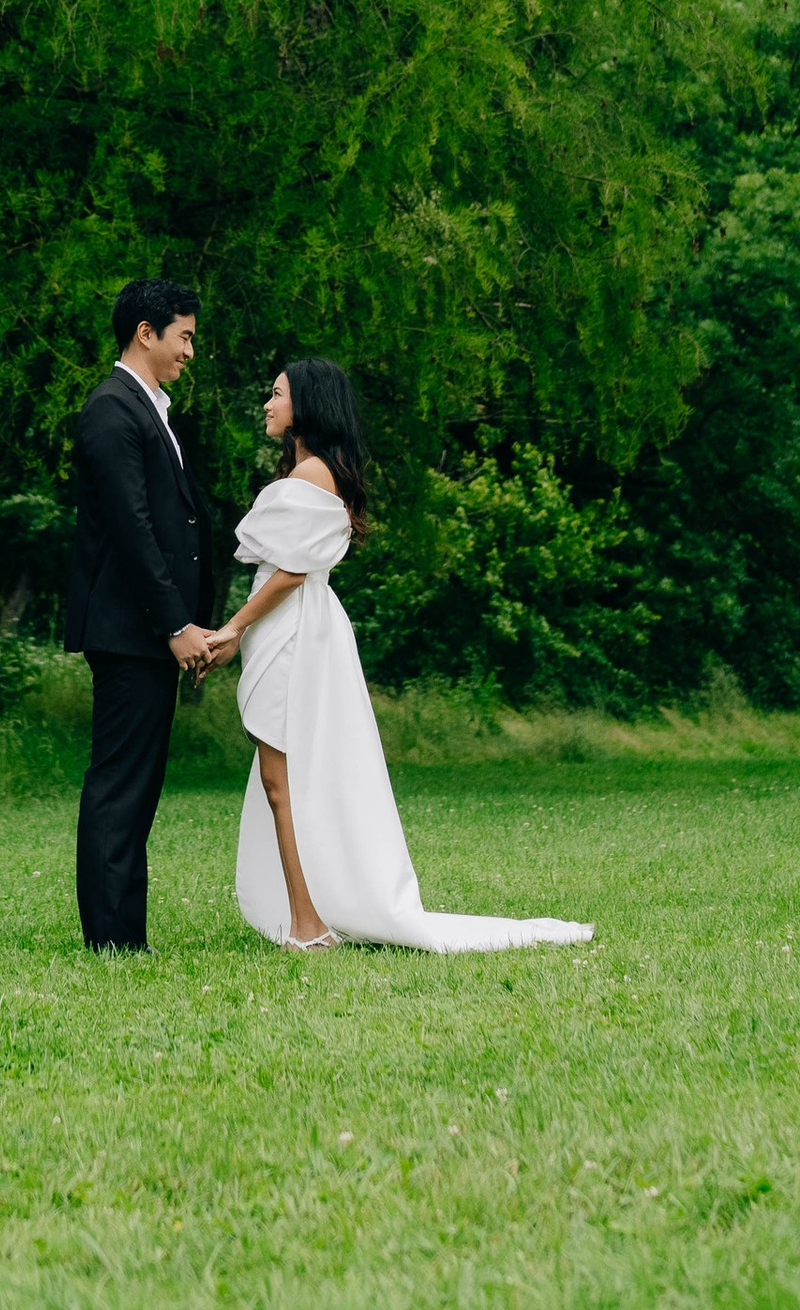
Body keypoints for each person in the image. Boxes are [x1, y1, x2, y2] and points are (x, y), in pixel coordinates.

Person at [206, 356, 594, 956]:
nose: (268, 403)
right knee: (283, 778)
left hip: (293, 630)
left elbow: (291, 572)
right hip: (297, 626)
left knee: (281, 780)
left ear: (306, 404)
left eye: (277, 393)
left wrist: (233, 627)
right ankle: (308, 916)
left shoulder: (310, 473)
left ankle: (308, 924)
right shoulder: (316, 471)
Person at [67, 277, 215, 952]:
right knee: (119, 785)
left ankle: (127, 934)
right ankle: (111, 940)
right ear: (145, 333)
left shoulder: (150, 409)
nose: (190, 351)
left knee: (139, 786)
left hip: (146, 631)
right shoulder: (111, 409)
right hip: (129, 631)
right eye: (184, 336)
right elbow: (132, 528)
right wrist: (174, 625)